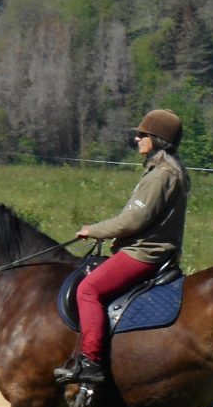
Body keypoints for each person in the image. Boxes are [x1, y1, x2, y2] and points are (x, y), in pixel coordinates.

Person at [53, 109, 190, 388]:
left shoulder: (161, 176)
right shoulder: (163, 172)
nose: (137, 138)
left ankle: (91, 362)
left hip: (143, 253)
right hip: (147, 250)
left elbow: (133, 220)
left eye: (143, 135)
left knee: (88, 289)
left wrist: (94, 230)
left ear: (158, 140)